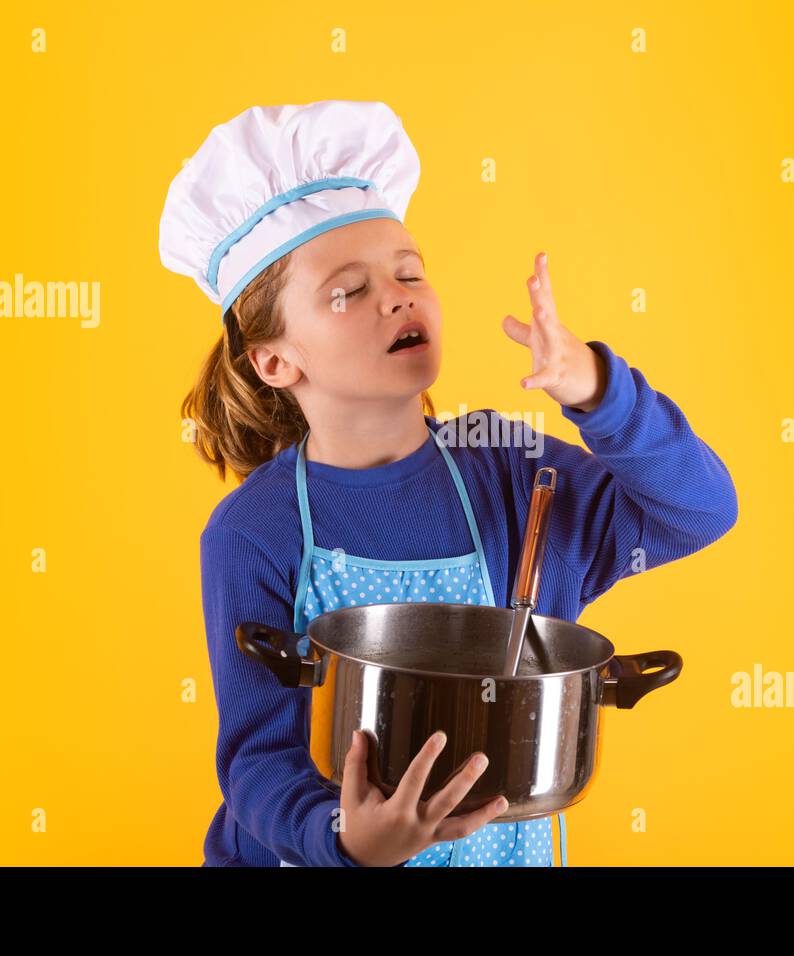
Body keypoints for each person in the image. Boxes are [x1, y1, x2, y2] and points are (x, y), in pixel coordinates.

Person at [159, 100, 739, 866]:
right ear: (274, 360)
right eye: (349, 291)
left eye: (409, 272)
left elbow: (697, 511)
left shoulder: (508, 472)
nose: (397, 295)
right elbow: (259, 761)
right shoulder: (253, 530)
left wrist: (601, 393)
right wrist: (345, 836)